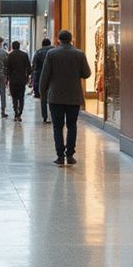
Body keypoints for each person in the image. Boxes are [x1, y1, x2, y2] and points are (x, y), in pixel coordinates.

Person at [39, 29, 91, 166]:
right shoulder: (79, 54)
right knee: (72, 126)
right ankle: (70, 155)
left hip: (55, 96)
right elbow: (87, 74)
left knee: (57, 127)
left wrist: (42, 92)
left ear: (58, 39)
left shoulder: (51, 54)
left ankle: (60, 156)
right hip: (74, 96)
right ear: (71, 39)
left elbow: (45, 75)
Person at [7, 40, 32, 121]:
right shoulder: (24, 55)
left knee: (14, 97)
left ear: (12, 46)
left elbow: (8, 68)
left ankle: (16, 113)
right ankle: (20, 113)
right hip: (22, 79)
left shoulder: (10, 55)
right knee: (21, 97)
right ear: (19, 46)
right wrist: (27, 76)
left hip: (13, 79)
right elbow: (29, 68)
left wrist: (7, 78)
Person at [32, 37, 53, 123]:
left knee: (43, 98)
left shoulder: (38, 52)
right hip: (52, 77)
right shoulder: (54, 51)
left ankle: (45, 116)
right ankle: (53, 115)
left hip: (41, 77)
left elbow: (34, 66)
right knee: (52, 97)